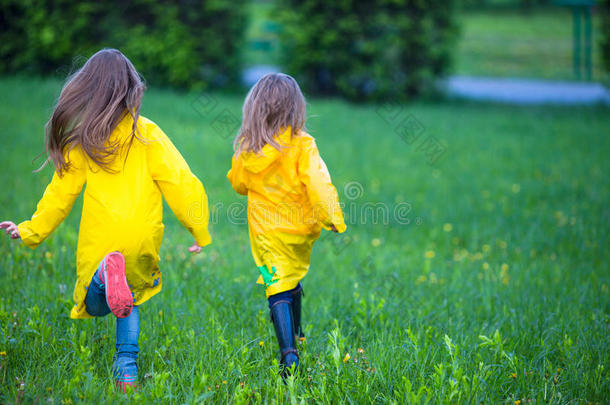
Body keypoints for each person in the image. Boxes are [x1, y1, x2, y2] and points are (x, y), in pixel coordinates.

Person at [0, 49, 211, 392]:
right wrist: (198, 230)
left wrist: (30, 230)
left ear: (88, 91)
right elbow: (182, 182)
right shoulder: (148, 134)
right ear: (133, 90)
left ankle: (102, 277)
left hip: (104, 244)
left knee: (97, 303)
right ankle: (126, 371)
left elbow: (59, 197)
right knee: (129, 300)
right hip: (142, 239)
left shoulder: (85, 143)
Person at [227, 73, 346, 375]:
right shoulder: (303, 144)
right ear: (296, 109)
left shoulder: (249, 148)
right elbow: (319, 184)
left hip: (265, 237)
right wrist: (332, 217)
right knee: (291, 277)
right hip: (300, 232)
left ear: (254, 110)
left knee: (274, 284)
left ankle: (288, 354)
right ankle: (299, 334)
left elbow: (240, 185)